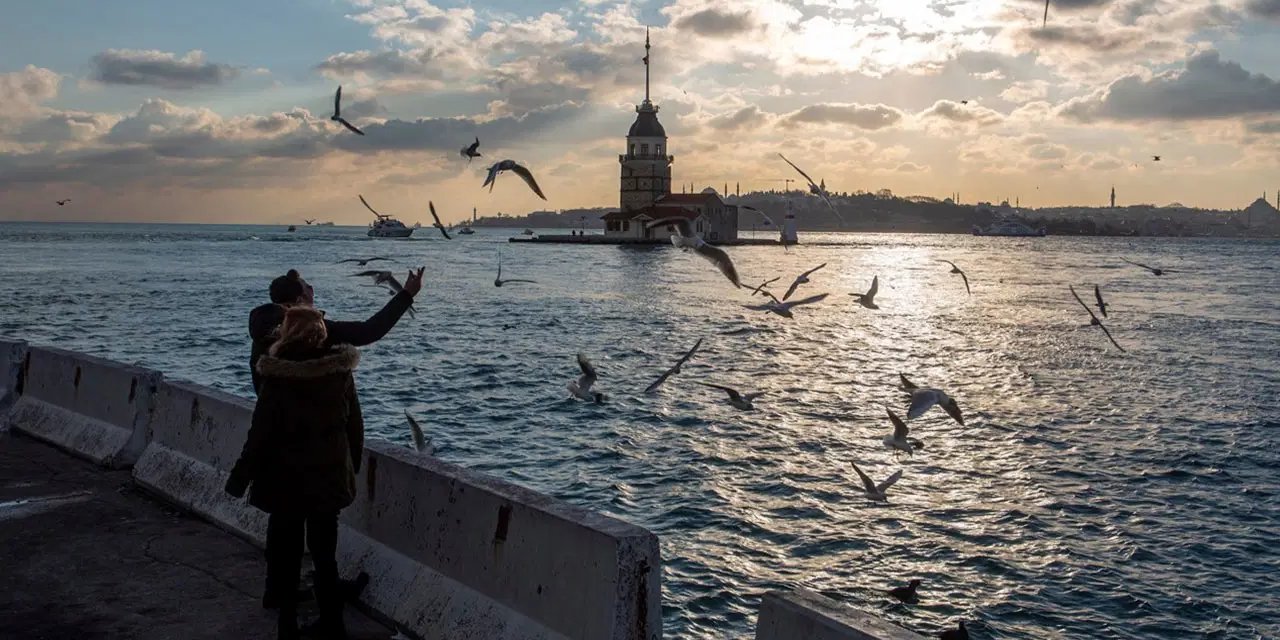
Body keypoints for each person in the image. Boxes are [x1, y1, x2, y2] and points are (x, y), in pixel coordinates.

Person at [226, 306, 364, 640]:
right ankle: (333, 624)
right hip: (328, 479)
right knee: (325, 555)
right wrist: (351, 469)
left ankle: (287, 626)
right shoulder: (339, 374)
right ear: (320, 334)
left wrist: (240, 478)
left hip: (284, 480)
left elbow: (260, 435)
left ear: (287, 333)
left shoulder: (277, 377)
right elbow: (355, 427)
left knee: (288, 558)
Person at [248, 267, 424, 394]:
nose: (312, 290)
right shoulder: (315, 330)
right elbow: (369, 331)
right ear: (301, 299)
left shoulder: (260, 330)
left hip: (274, 423)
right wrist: (406, 295)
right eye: (308, 287)